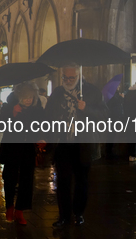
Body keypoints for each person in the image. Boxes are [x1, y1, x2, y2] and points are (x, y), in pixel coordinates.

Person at [46, 66, 108, 227]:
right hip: (63, 143)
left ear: (79, 77)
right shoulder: (57, 93)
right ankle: (64, 216)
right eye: (65, 78)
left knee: (82, 181)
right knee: (63, 181)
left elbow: (104, 115)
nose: (67, 81)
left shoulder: (91, 92)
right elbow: (47, 116)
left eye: (71, 78)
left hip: (83, 143)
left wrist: (86, 108)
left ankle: (78, 212)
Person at [0, 82, 42, 225]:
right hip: (12, 148)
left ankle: (20, 210)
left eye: (31, 97)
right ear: (19, 97)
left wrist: (42, 137)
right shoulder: (9, 106)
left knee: (27, 180)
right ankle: (9, 205)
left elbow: (43, 124)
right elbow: (0, 125)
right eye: (25, 97)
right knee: (10, 178)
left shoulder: (37, 108)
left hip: (28, 148)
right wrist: (13, 114)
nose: (28, 100)